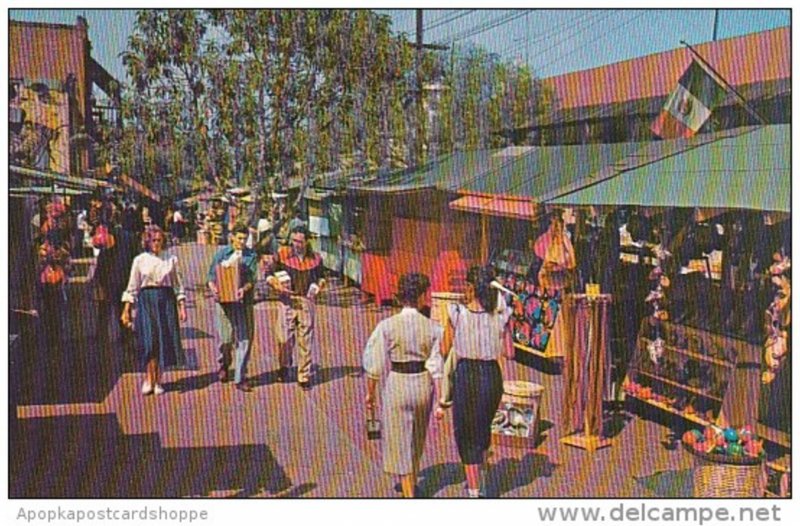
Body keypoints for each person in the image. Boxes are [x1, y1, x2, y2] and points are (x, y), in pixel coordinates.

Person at [363, 273, 443, 498]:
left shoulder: (387, 326)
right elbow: (436, 365)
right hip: (422, 383)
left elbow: (375, 364)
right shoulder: (433, 327)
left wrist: (370, 394)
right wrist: (441, 400)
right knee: (417, 438)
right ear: (421, 296)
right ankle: (412, 484)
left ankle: (409, 495)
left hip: (397, 382)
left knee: (399, 441)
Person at [441, 265, 515, 498]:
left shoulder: (456, 312)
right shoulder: (502, 315)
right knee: (482, 426)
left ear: (470, 287)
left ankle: (474, 491)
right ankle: (481, 481)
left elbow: (444, 348)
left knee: (465, 432)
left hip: (466, 373)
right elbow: (510, 353)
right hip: (491, 375)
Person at [121, 226, 187, 396]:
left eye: (159, 240)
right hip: (147, 301)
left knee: (163, 340)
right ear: (147, 242)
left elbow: (178, 284)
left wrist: (182, 307)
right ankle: (149, 378)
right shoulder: (140, 260)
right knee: (150, 340)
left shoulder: (171, 259)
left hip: (165, 301)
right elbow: (132, 286)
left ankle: (158, 380)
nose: (156, 243)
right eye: (153, 240)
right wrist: (126, 310)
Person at [267, 225, 325, 391]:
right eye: (294, 240)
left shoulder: (316, 258)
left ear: (307, 241)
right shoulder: (282, 254)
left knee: (305, 339)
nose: (296, 244)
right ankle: (284, 364)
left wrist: (319, 287)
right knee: (284, 337)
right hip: (287, 300)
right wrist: (277, 285)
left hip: (306, 301)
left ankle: (303, 375)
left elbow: (321, 277)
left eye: (299, 241)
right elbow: (268, 274)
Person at [207, 224, 259, 392]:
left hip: (243, 303)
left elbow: (252, 279)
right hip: (224, 303)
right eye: (239, 238)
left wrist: (244, 289)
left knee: (244, 339)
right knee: (225, 339)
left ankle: (240, 377)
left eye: (245, 239)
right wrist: (214, 289)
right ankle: (224, 364)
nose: (242, 242)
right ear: (232, 237)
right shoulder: (222, 253)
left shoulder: (251, 256)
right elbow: (211, 276)